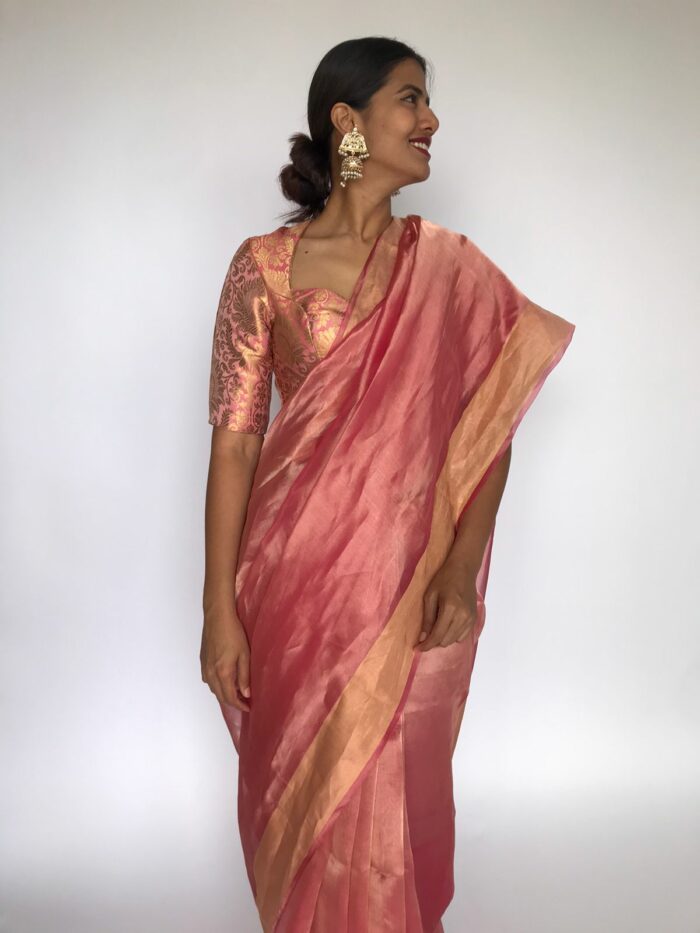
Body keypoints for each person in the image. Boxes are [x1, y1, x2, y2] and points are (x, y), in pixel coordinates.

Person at [200, 36, 575, 933]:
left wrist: (460, 571)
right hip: (292, 589)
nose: (430, 119)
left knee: (392, 789)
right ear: (349, 120)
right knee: (300, 792)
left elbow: (491, 428)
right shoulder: (263, 267)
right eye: (410, 98)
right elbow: (237, 445)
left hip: (405, 583)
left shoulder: (450, 268)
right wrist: (218, 609)